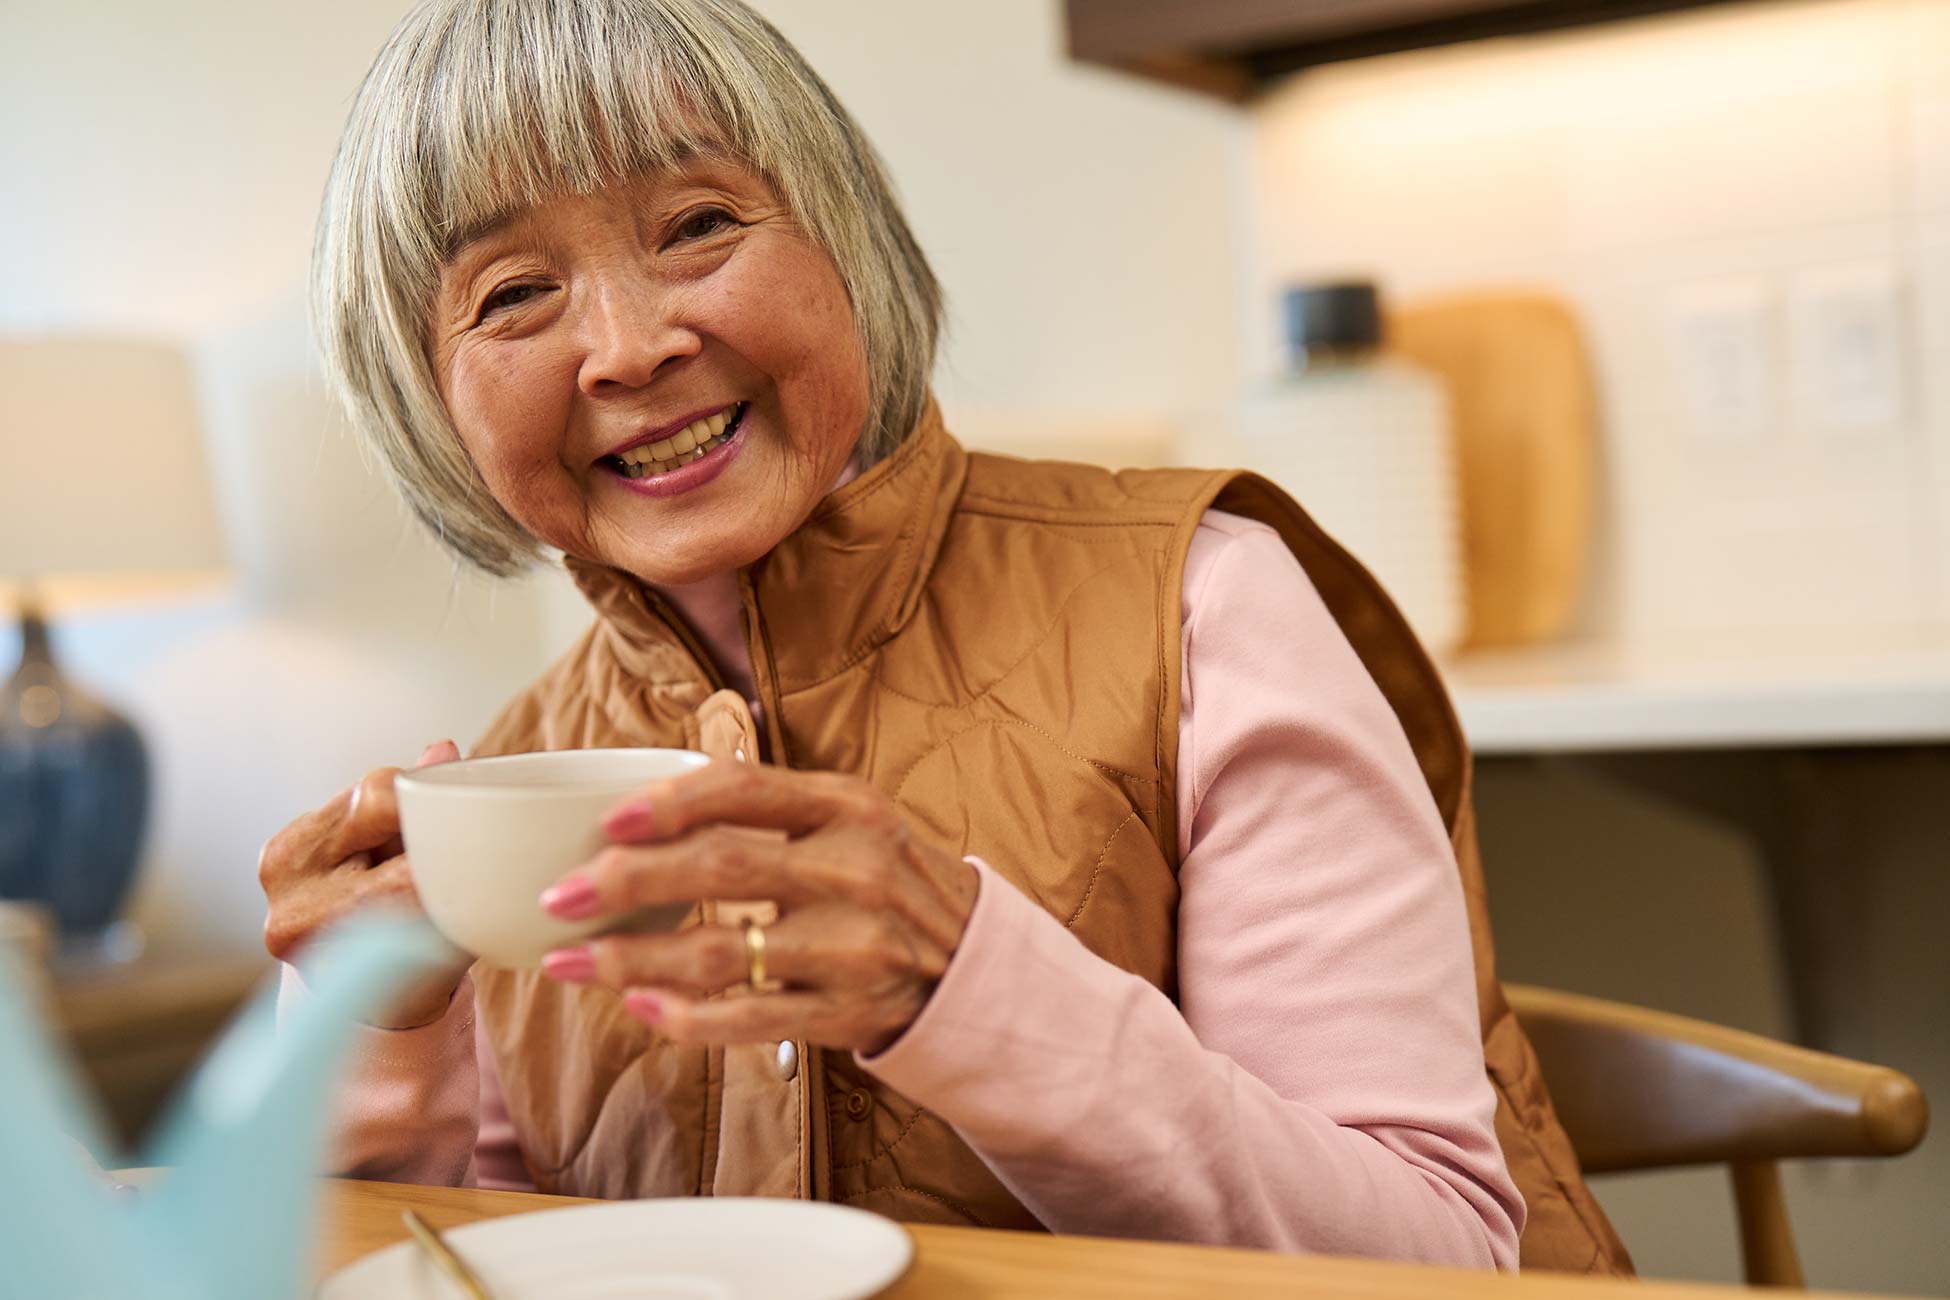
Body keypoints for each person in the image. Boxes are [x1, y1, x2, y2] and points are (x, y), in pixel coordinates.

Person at [261, 0, 1631, 1274]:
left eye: (695, 223)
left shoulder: (1208, 604)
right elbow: (493, 1256)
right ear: (425, 401)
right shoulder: (512, 775)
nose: (626, 348)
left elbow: (1433, 1262)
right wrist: (374, 1033)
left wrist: (963, 984)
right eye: (510, 295)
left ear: (845, 241)